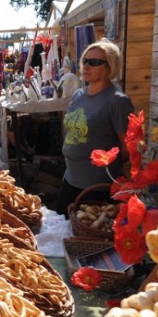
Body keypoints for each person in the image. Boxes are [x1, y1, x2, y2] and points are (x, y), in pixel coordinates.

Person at [53, 39, 134, 216]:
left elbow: (128, 146)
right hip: (70, 179)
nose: (87, 66)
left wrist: (104, 163)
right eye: (85, 61)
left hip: (97, 187)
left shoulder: (118, 101)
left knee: (85, 238)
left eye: (95, 62)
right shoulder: (78, 95)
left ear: (110, 67)